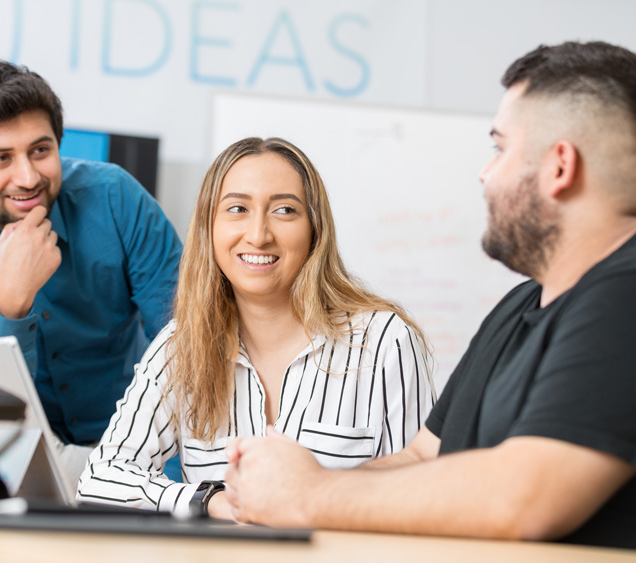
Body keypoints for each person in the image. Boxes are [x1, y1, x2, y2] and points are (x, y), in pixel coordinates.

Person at [224, 41, 636, 549]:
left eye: (500, 148)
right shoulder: (519, 306)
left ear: (559, 167)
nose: (486, 174)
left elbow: (526, 497)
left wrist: (309, 495)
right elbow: (423, 457)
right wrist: (289, 482)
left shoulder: (625, 298)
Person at [77, 137, 435, 518]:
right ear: (209, 228)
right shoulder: (181, 347)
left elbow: (423, 492)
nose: (259, 234)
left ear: (315, 229)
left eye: (284, 210)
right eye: (237, 209)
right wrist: (211, 502)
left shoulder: (385, 342)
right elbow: (100, 479)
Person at [0, 60, 182, 473]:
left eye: (40, 150)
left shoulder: (115, 197)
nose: (28, 178)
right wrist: (12, 300)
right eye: (0, 159)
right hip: (15, 451)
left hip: (137, 442)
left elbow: (186, 340)